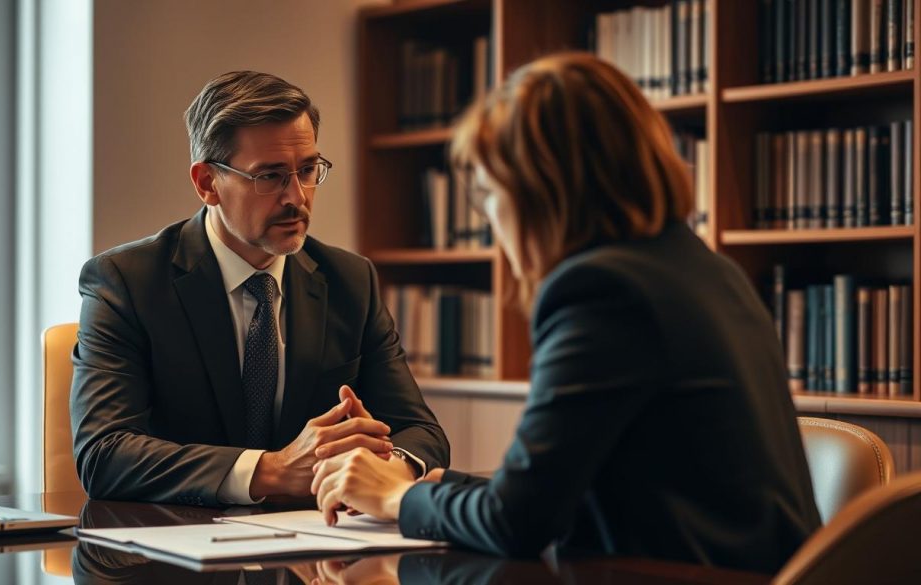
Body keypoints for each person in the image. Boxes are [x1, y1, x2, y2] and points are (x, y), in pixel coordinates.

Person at [310, 52, 821, 573]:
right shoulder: (704, 269)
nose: (492, 222)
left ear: (538, 190)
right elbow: (576, 488)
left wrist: (397, 499)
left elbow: (518, 521)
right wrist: (438, 488)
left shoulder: (603, 291)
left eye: (490, 194)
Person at [70, 71, 449, 506]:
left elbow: (422, 432)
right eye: (269, 176)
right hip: (171, 552)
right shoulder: (126, 282)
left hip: (314, 554)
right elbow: (103, 454)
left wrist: (385, 469)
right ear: (207, 183)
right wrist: (273, 470)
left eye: (307, 170)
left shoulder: (350, 280)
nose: (297, 197)